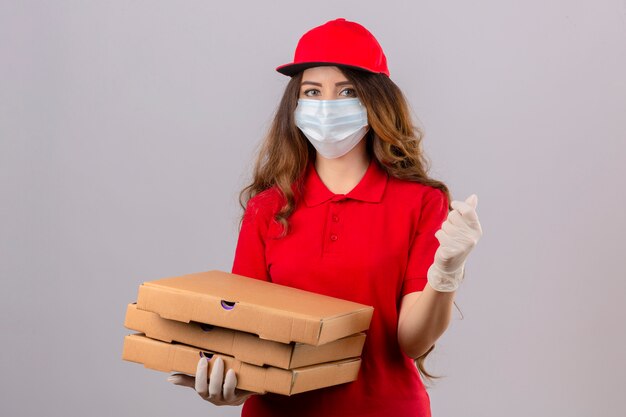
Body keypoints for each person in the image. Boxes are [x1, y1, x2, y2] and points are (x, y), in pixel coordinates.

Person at [168, 18, 483, 417]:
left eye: (347, 91)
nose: (327, 106)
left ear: (375, 101)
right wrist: (231, 386)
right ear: (296, 106)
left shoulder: (422, 202)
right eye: (312, 92)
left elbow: (411, 342)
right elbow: (244, 330)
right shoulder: (268, 207)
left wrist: (446, 273)